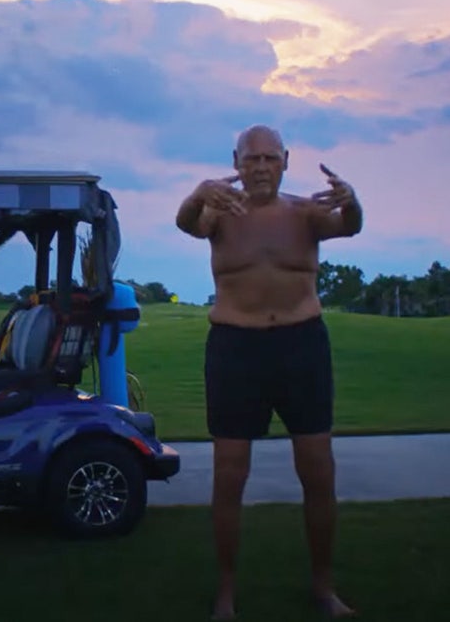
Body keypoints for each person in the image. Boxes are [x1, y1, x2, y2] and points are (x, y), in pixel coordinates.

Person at [174, 124, 363, 620]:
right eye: (251, 159)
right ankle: (227, 593)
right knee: (229, 474)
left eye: (270, 158)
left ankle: (323, 587)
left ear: (285, 161)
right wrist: (196, 193)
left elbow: (351, 225)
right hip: (236, 348)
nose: (260, 167)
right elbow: (184, 223)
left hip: (302, 346)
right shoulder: (219, 214)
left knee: (318, 471)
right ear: (235, 163)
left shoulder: (306, 213)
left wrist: (354, 199)